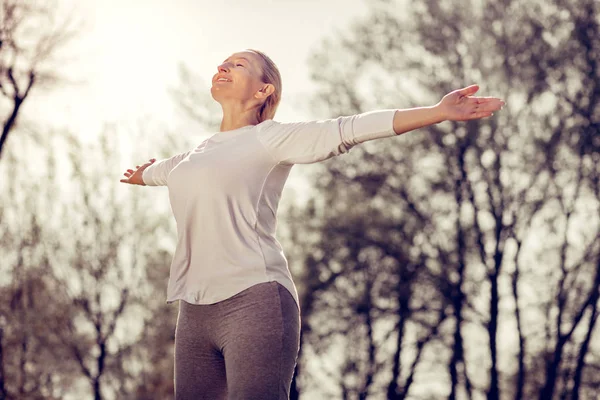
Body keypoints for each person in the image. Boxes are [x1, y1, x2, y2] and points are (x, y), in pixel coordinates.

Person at [120, 49, 504, 400]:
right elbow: (163, 171)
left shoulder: (269, 138)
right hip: (194, 310)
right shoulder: (194, 155)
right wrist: (144, 173)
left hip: (253, 298)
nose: (222, 67)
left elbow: (347, 129)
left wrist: (436, 111)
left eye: (237, 65)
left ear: (262, 91)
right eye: (222, 63)